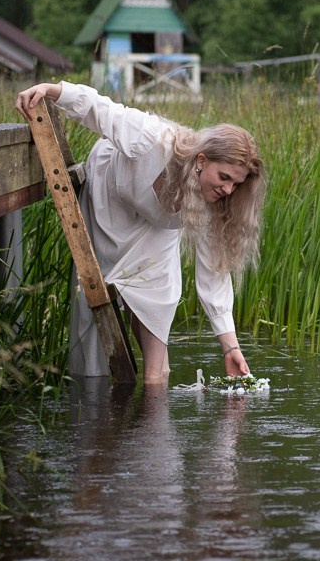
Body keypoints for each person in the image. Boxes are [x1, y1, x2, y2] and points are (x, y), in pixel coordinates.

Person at [15, 81, 265, 385]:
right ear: (201, 161)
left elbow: (215, 271)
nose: (228, 189)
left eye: (236, 184)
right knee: (99, 287)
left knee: (161, 292)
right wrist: (50, 90)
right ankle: (99, 392)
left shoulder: (216, 199)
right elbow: (100, 109)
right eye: (224, 177)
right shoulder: (152, 140)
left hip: (156, 229)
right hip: (112, 198)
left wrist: (230, 349)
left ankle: (154, 389)